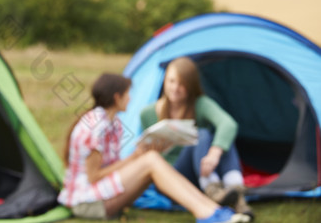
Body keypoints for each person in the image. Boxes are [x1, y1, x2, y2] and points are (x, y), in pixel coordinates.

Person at [59, 73, 249, 223]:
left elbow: (111, 168)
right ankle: (208, 214)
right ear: (117, 97)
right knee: (150, 161)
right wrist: (135, 158)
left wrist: (143, 153)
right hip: (87, 202)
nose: (130, 98)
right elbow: (94, 176)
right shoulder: (96, 127)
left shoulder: (113, 124)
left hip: (100, 196)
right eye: (127, 94)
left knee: (152, 159)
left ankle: (215, 211)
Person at [140, 57, 254, 219]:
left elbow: (228, 124)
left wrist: (215, 152)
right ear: (164, 81)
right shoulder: (148, 113)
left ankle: (236, 195)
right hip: (171, 176)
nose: (175, 88)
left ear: (191, 86)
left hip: (198, 170)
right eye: (171, 81)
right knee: (203, 134)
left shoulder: (199, 104)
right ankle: (215, 191)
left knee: (219, 138)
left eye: (182, 84)